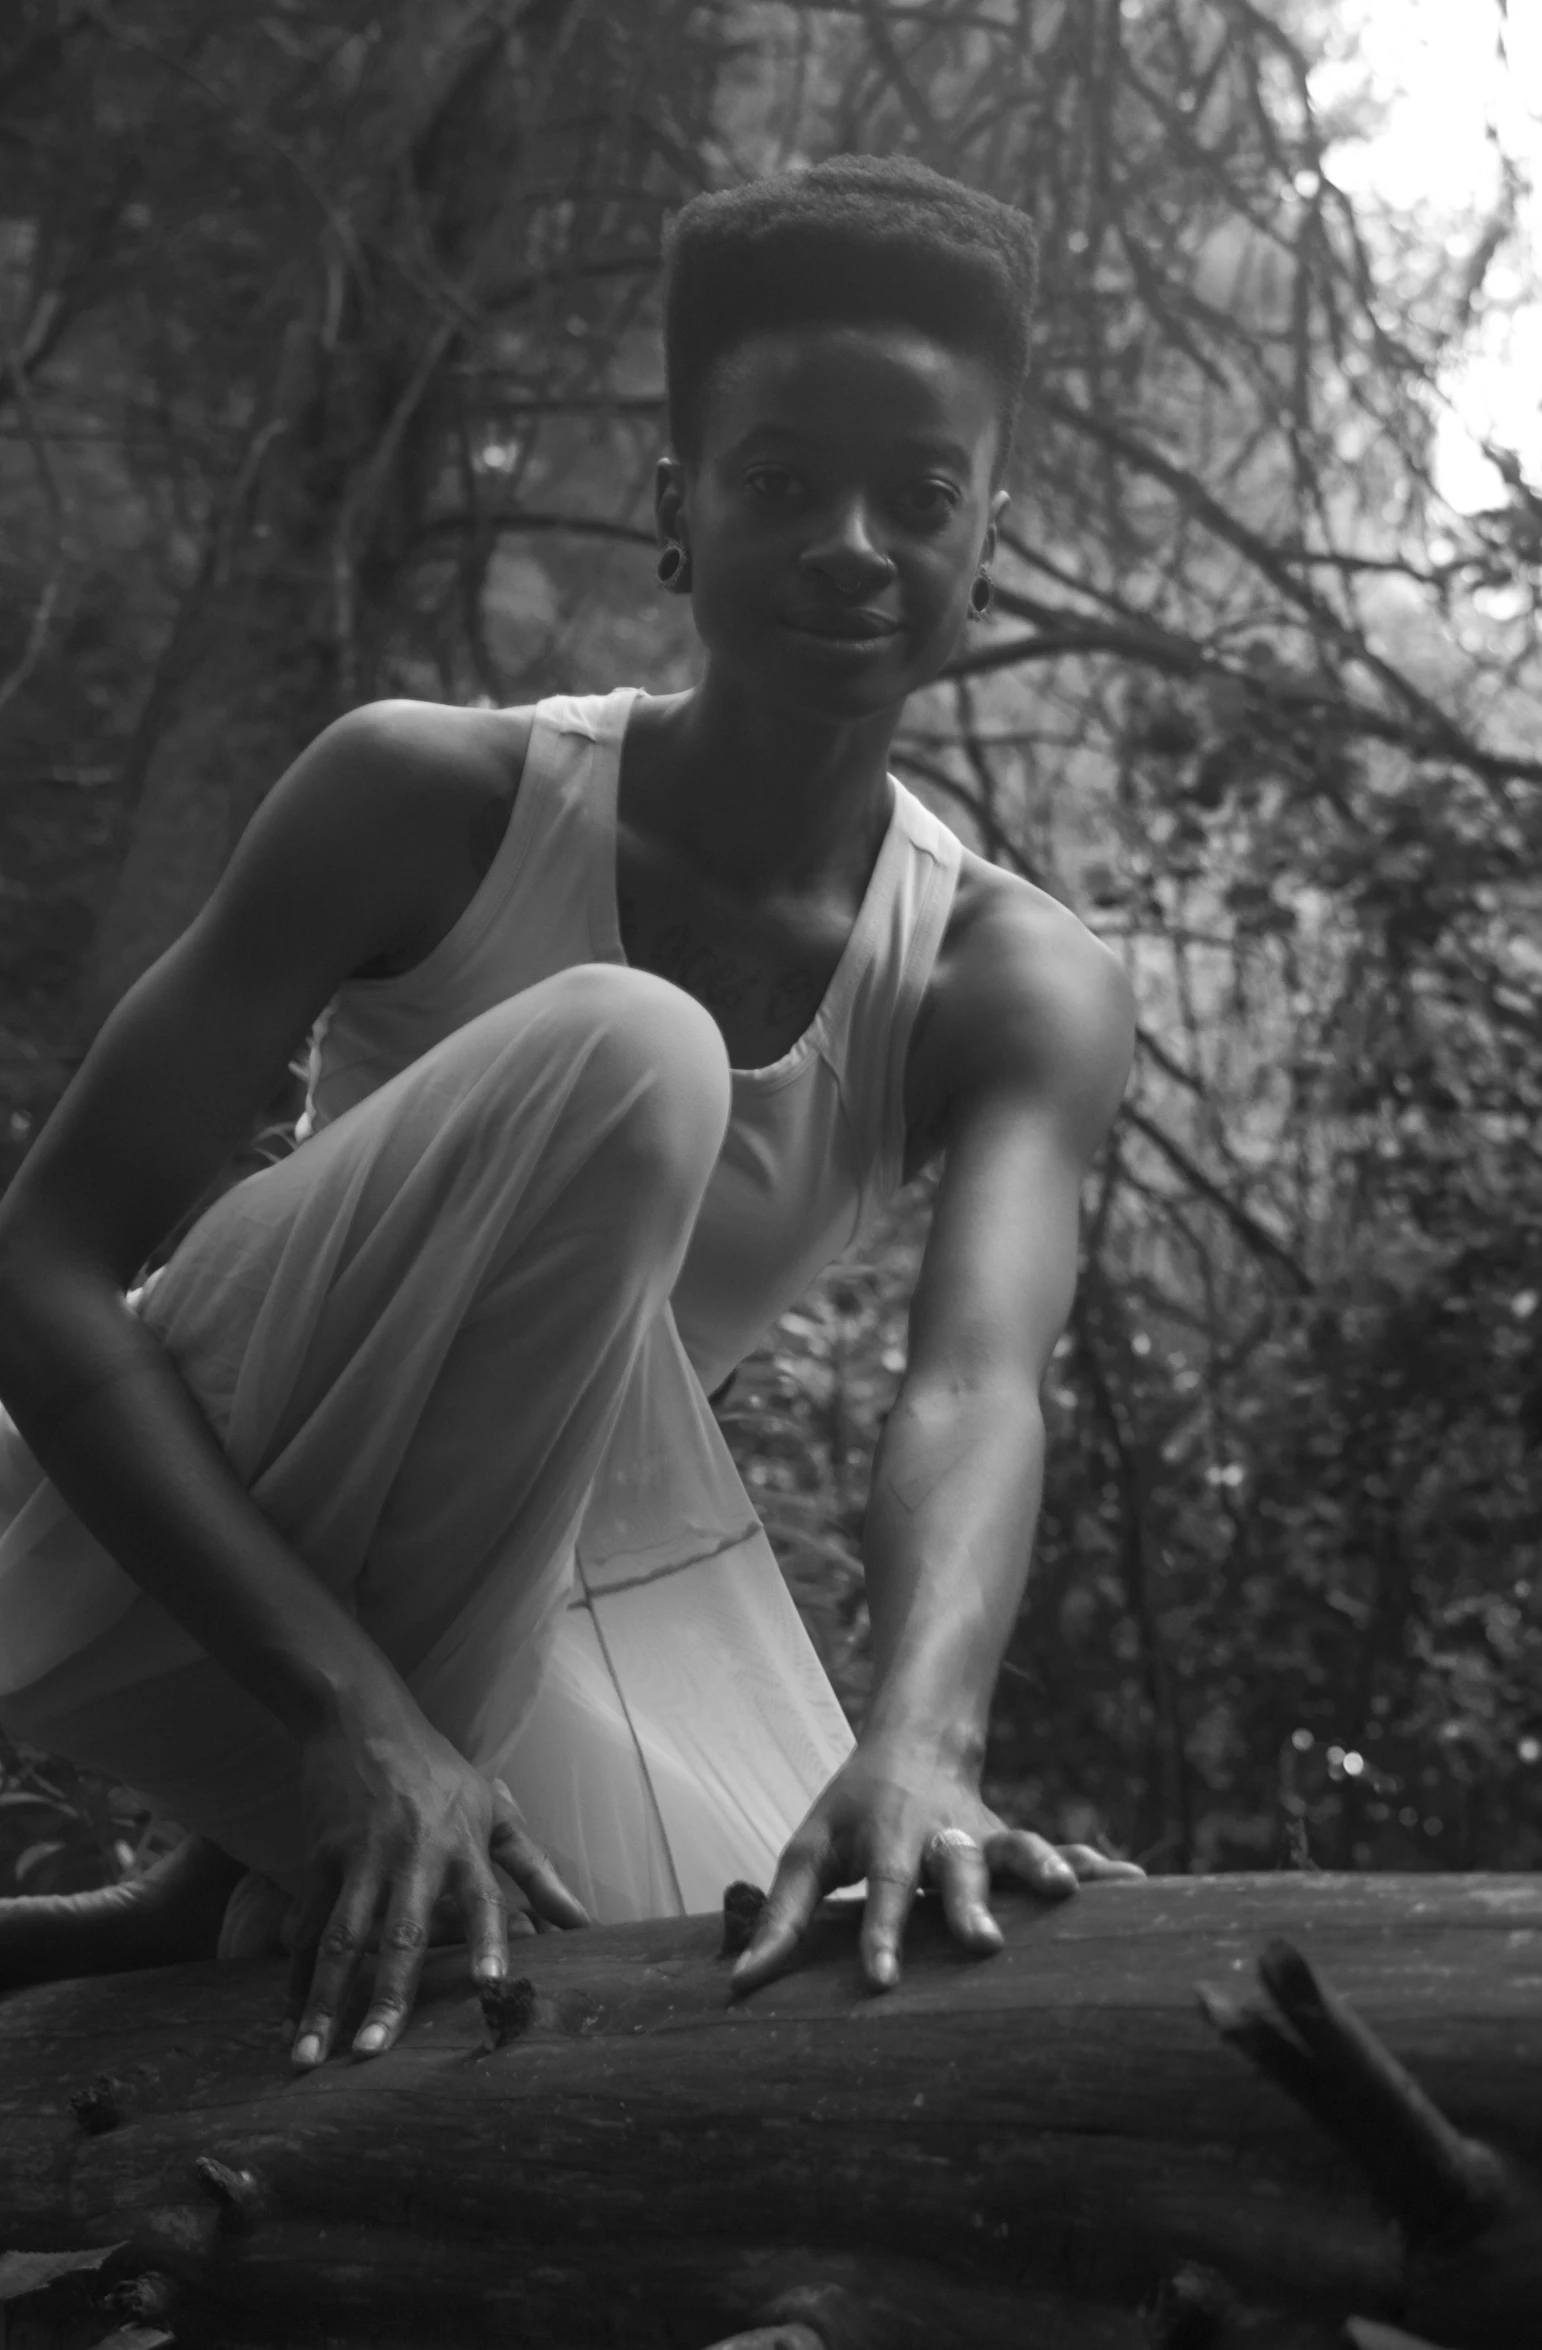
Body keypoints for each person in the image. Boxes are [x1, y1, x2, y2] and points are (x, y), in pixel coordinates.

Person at [0, 155, 1141, 2068]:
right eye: (780, 482)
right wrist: (346, 1716)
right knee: (635, 1048)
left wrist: (920, 1742)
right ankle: (270, 1833)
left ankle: (209, 1910)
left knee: (827, 1999)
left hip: (552, 1593)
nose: (854, 543)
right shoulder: (423, 795)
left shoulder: (1009, 977)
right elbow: (42, 1264)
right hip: (171, 1545)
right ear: (678, 509)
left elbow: (974, 1384)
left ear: (986, 538)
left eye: (920, 495)